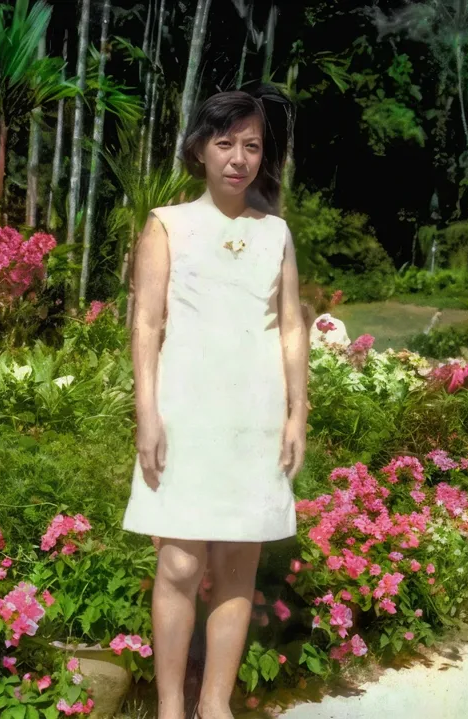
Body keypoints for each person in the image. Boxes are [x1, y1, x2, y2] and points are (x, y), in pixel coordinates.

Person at [121, 87, 309, 719]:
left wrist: (296, 415)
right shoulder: (167, 224)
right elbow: (146, 325)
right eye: (225, 143)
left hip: (253, 418)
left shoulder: (275, 232)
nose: (238, 158)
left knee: (236, 567)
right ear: (200, 149)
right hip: (184, 414)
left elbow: (290, 327)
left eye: (251, 145)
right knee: (177, 564)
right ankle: (172, 708)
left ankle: (216, 706)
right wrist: (147, 415)